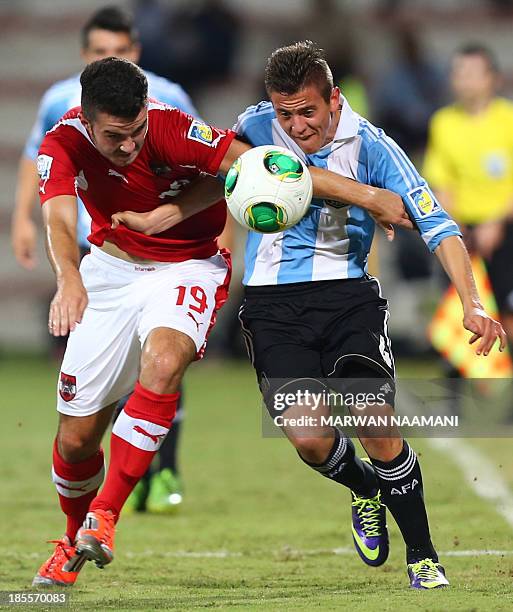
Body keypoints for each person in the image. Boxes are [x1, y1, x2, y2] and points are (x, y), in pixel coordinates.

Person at [115, 41, 506, 590]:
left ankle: (423, 556)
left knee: (374, 418)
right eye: (285, 113)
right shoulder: (254, 125)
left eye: (307, 112)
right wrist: (162, 217)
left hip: (348, 297)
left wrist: (471, 302)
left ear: (334, 100)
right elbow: (220, 177)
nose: (296, 126)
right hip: (273, 305)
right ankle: (364, 488)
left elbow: (437, 224)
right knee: (309, 438)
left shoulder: (370, 143)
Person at [32, 56, 411, 588]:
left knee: (163, 364)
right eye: (116, 137)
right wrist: (69, 278)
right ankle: (74, 539)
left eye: (137, 129)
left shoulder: (172, 129)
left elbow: (272, 166)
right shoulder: (62, 141)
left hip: (188, 265)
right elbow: (56, 214)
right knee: (75, 439)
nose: (130, 145)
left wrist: (370, 196)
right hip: (110, 271)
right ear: (88, 120)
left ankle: (108, 514)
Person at [11, 5, 200, 514]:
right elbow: (40, 159)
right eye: (100, 52)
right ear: (84, 55)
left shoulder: (169, 99)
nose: (110, 59)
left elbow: (216, 170)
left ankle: (163, 472)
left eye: (119, 51)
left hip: (172, 257)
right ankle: (125, 478)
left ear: (135, 52)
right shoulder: (60, 101)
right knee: (107, 383)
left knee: (161, 361)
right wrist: (23, 219)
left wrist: (209, 234)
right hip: (106, 253)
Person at [424, 44, 513, 345]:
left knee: (507, 310)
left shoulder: (508, 119)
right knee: (456, 313)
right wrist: (457, 229)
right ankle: (453, 390)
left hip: (505, 230)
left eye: (473, 73)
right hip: (461, 233)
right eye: (459, 73)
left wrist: (497, 223)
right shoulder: (443, 122)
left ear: (493, 78)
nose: (465, 80)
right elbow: (440, 180)